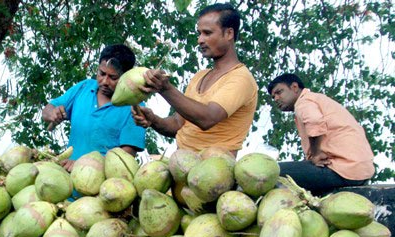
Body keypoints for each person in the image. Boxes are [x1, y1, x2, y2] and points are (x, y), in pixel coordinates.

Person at [131, 3, 258, 156]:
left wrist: (165, 88)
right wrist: (153, 120)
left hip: (214, 173)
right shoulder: (199, 77)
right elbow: (178, 124)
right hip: (181, 167)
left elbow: (207, 119)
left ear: (229, 34)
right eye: (199, 33)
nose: (200, 40)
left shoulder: (241, 78)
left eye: (207, 33)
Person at [42, 44, 146, 171]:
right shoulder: (83, 88)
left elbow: (126, 156)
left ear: (126, 77)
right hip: (67, 181)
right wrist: (53, 113)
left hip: (104, 187)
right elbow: (48, 110)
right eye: (102, 73)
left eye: (113, 77)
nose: (104, 81)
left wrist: (84, 165)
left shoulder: (135, 106)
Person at [267, 73, 374, 194]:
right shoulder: (317, 100)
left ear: (295, 87)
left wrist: (316, 153)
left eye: (279, 92)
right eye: (273, 97)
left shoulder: (304, 101)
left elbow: (314, 121)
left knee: (270, 171)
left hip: (342, 169)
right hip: (360, 171)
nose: (276, 99)